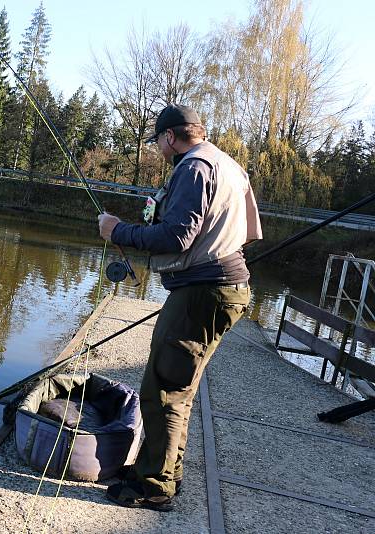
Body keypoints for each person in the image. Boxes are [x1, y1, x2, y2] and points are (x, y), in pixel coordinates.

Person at [98, 103, 262, 511]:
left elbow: (176, 236)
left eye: (158, 140)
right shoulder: (231, 167)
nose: (158, 148)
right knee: (178, 386)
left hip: (203, 293)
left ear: (170, 136)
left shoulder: (193, 167)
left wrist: (117, 230)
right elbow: (253, 232)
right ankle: (158, 470)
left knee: (165, 388)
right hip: (222, 288)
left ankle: (154, 486)